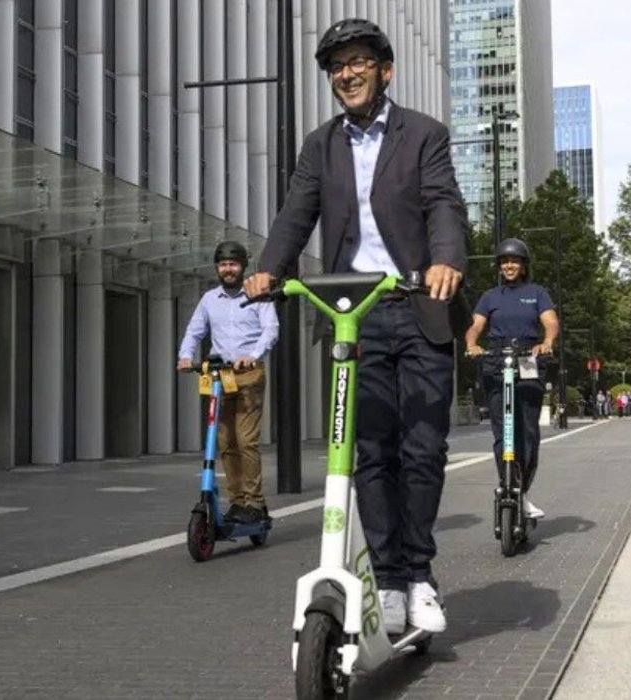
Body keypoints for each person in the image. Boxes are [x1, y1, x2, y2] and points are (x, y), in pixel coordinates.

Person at [244, 18, 468, 635]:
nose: (347, 74)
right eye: (337, 66)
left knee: (423, 448)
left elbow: (443, 203)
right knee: (370, 451)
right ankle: (388, 582)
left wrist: (446, 260)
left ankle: (419, 575)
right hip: (356, 313)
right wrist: (268, 271)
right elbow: (296, 214)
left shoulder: (423, 134)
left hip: (418, 303)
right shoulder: (319, 147)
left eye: (358, 62)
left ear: (384, 70)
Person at [178, 241, 280, 523]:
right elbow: (194, 331)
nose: (228, 269)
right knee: (224, 441)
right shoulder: (209, 299)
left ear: (242, 267)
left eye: (233, 264)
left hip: (248, 373)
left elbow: (270, 330)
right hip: (220, 376)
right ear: (217, 268)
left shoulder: (258, 295)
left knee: (246, 440)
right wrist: (185, 356)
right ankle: (237, 502)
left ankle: (254, 503)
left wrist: (253, 355)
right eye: (223, 265)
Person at [464, 238, 558, 521]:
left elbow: (550, 322)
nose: (509, 266)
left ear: (523, 266)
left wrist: (547, 342)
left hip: (528, 356)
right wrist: (472, 344)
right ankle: (507, 482)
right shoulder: (490, 297)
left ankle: (522, 491)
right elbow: (475, 325)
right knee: (503, 431)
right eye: (504, 261)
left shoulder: (537, 293)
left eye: (514, 261)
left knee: (527, 431)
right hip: (496, 358)